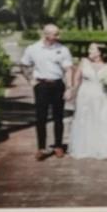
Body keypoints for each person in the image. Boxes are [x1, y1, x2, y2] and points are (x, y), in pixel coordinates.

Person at [18, 23, 73, 158]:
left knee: (58, 117)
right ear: (46, 35)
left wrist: (69, 88)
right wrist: (30, 80)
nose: (59, 36)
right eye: (56, 34)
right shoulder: (33, 48)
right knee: (41, 117)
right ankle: (41, 148)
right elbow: (23, 64)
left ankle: (58, 146)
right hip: (41, 86)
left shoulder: (63, 49)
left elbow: (68, 69)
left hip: (58, 85)